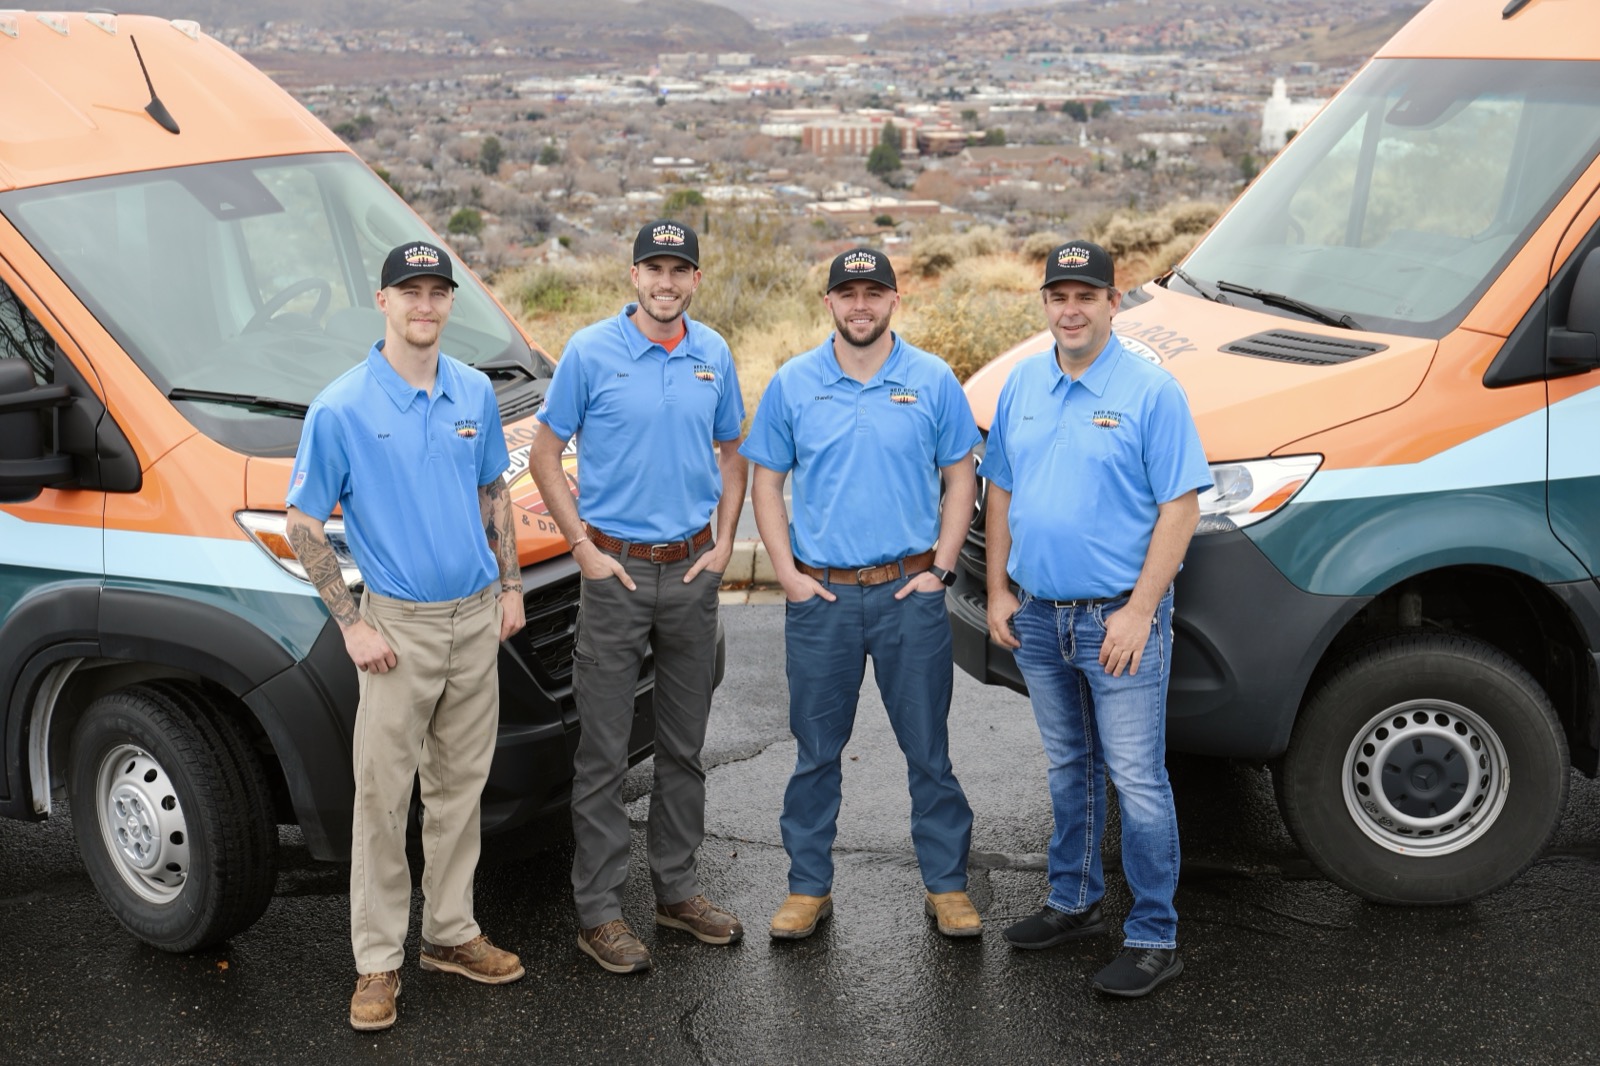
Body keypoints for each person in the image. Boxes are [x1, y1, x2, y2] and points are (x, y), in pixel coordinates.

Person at [285, 240, 527, 1032]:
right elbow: (302, 523)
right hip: (396, 629)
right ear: (382, 301)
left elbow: (493, 489)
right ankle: (377, 963)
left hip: (474, 619)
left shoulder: (472, 393)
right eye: (409, 292)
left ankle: (451, 934)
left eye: (437, 291)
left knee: (459, 793)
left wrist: (512, 586)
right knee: (384, 802)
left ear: (449, 302)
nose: (425, 305)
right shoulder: (343, 406)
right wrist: (351, 624)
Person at [981, 240, 1210, 997]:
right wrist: (999, 593)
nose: (1071, 309)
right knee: (1070, 767)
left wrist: (1141, 611)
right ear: (1045, 303)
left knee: (1139, 780)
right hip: (1041, 619)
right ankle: (1073, 902)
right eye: (1058, 296)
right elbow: (1002, 494)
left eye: (1086, 296)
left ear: (1114, 302)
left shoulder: (1150, 392)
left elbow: (1181, 506)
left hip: (1118, 622)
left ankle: (1153, 935)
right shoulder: (1023, 384)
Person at [742, 248, 982, 941]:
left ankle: (948, 886)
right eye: (847, 293)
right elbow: (766, 481)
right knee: (816, 750)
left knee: (928, 751)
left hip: (910, 594)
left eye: (873, 292)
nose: (860, 305)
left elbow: (960, 477)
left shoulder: (932, 381)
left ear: (894, 300)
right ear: (829, 304)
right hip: (823, 598)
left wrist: (938, 570)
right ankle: (807, 887)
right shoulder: (794, 384)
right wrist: (787, 575)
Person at [529, 219, 747, 974]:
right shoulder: (591, 353)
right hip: (614, 573)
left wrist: (723, 543)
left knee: (684, 748)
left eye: (679, 271)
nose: (666, 282)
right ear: (634, 277)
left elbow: (733, 450)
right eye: (653, 270)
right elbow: (544, 452)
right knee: (603, 752)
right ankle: (598, 912)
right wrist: (582, 548)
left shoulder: (712, 353)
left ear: (693, 279)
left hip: (690, 572)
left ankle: (678, 892)